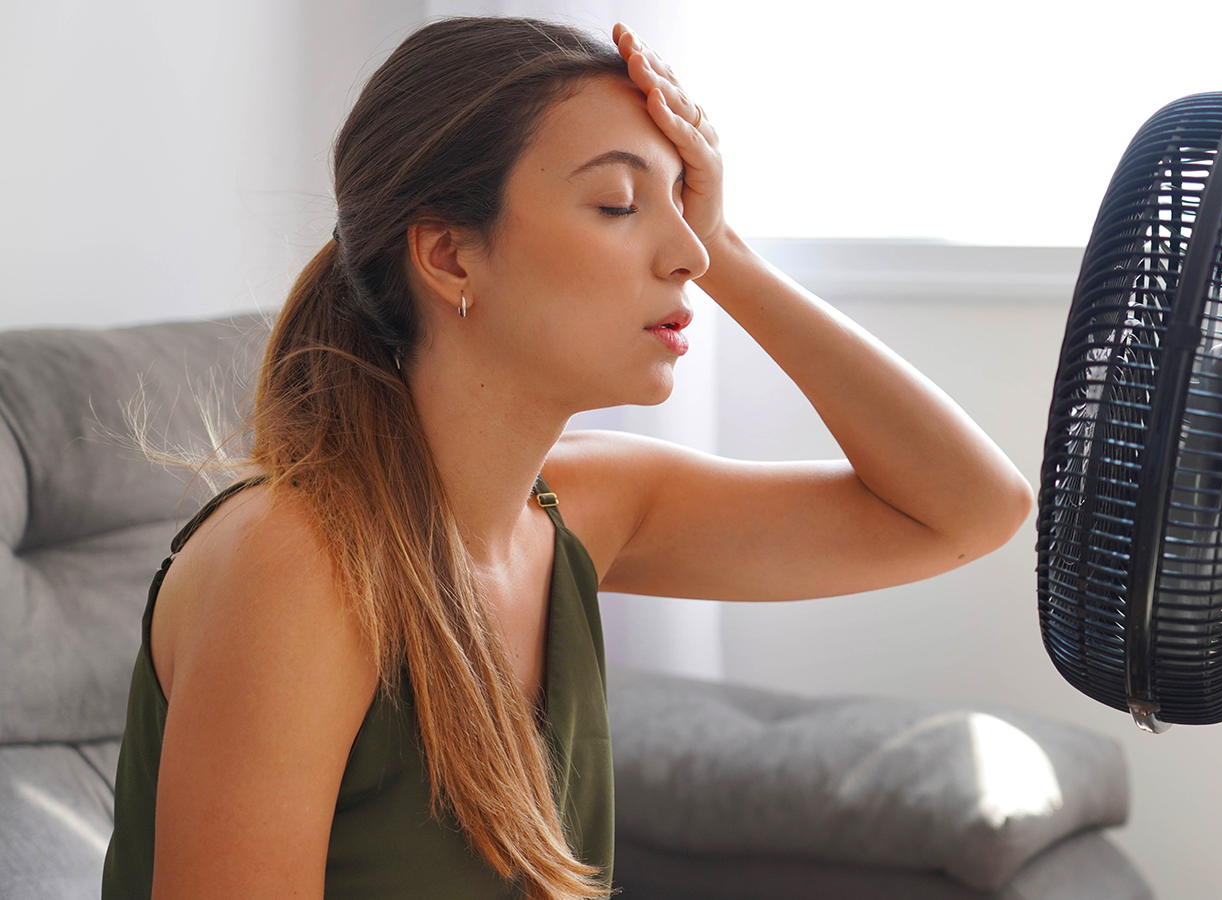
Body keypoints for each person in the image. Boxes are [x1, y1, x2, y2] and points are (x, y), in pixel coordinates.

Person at [101, 16, 1034, 900]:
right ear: (449, 257)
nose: (687, 255)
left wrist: (730, 249)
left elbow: (969, 510)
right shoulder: (298, 566)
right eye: (618, 203)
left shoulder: (583, 509)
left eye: (685, 206)